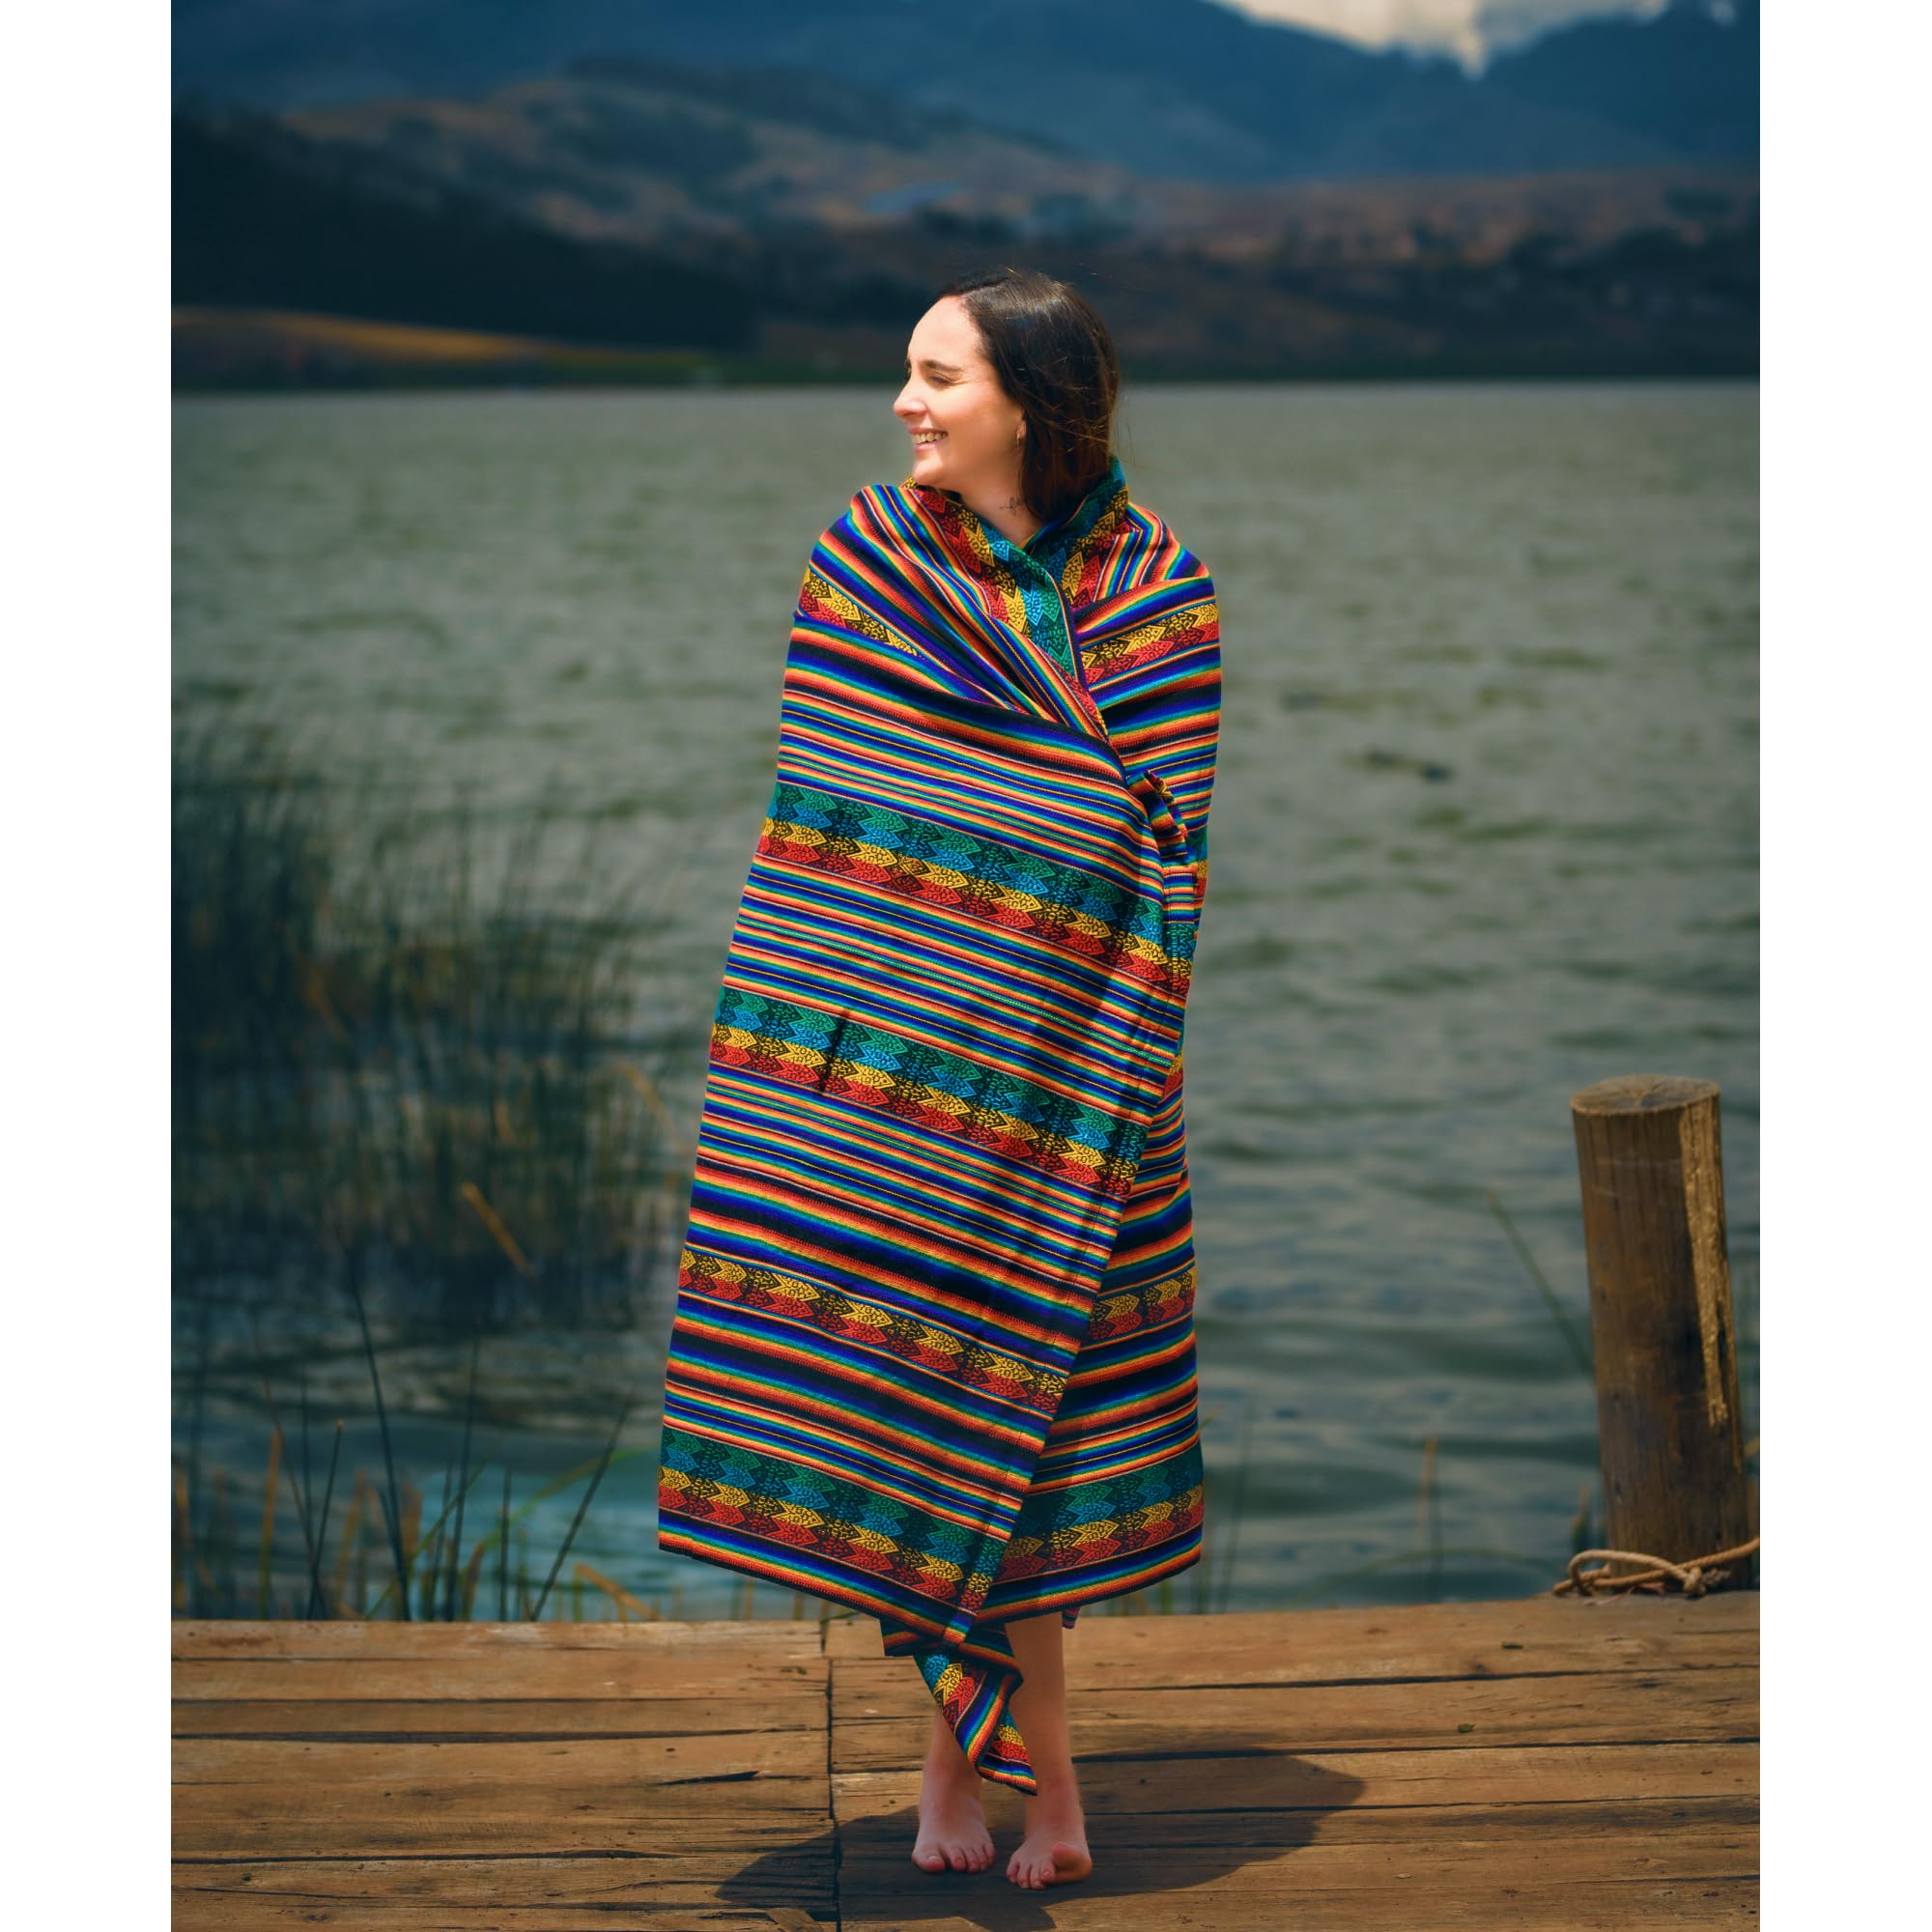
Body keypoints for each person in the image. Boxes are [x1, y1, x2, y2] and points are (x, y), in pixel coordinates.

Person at [657, 267, 1222, 1893]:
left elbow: (1158, 847)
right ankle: (965, 1775)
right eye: (903, 373)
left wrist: (1053, 908)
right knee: (924, 1412)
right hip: (890, 1082)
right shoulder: (868, 557)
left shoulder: (1163, 587)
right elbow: (841, 823)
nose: (904, 403)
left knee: (1033, 1444)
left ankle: (1042, 1796)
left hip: (1073, 1089)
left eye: (935, 376)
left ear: (1030, 406)